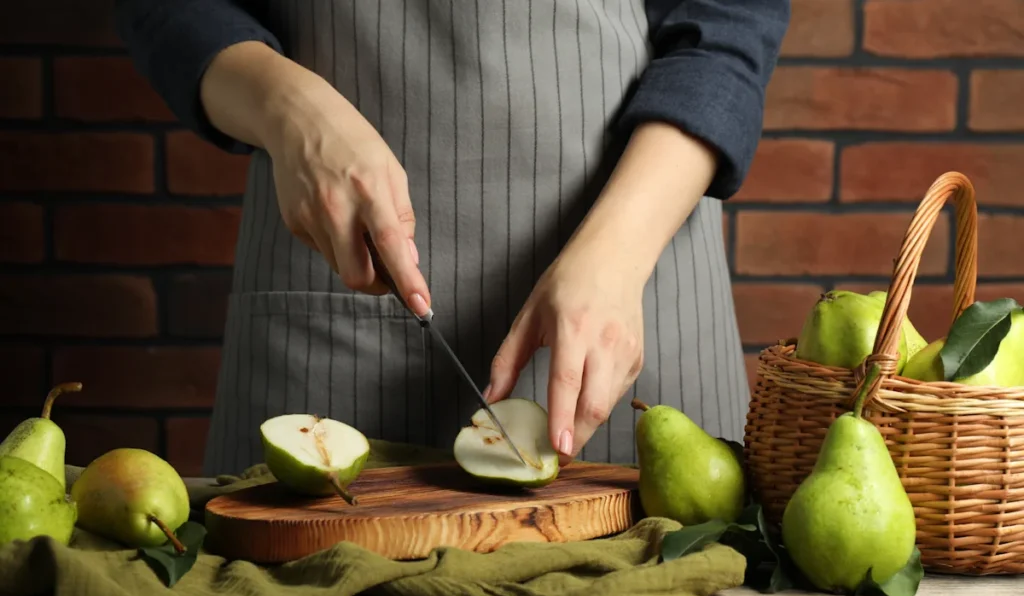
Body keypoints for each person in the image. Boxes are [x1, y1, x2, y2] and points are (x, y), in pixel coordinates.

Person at [115, 0, 789, 476]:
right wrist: (286, 108)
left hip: (634, 277)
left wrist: (616, 255)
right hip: (329, 308)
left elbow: (729, 19)